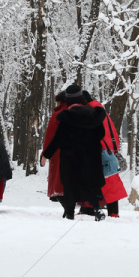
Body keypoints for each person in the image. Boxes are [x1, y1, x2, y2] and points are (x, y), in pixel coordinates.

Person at [40, 84, 107, 221]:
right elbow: (101, 133)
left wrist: (46, 155)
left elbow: (57, 140)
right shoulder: (94, 115)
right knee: (91, 184)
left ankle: (69, 213)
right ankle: (97, 209)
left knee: (70, 185)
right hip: (91, 157)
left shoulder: (67, 117)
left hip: (71, 158)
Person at [79, 90, 127, 218]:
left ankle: (88, 209)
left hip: (100, 150)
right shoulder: (99, 109)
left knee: (95, 180)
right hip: (108, 150)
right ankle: (113, 212)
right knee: (110, 182)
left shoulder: (91, 111)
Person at [42, 90, 68, 202]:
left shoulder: (58, 115)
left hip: (57, 151)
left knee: (58, 178)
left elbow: (50, 136)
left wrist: (45, 154)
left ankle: (62, 200)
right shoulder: (78, 113)